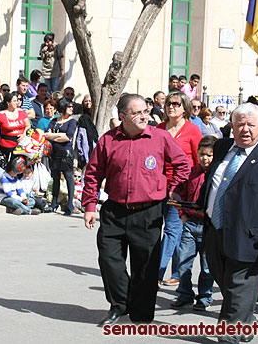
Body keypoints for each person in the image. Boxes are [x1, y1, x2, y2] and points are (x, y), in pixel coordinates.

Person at [82, 93, 191, 326]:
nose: (144, 117)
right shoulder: (108, 140)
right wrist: (90, 205)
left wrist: (174, 189)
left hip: (149, 212)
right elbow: (92, 174)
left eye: (145, 111)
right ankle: (119, 305)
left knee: (146, 267)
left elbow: (183, 164)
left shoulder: (159, 137)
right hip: (114, 211)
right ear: (122, 116)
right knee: (110, 261)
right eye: (137, 113)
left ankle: (141, 313)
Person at [198, 103, 258, 343]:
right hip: (215, 231)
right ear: (232, 126)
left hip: (249, 237)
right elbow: (213, 182)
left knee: (238, 290)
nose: (245, 130)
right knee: (229, 285)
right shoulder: (221, 147)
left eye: (251, 125)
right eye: (240, 124)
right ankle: (246, 322)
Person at [157, 91, 203, 287]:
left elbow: (200, 160)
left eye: (176, 103)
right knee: (169, 231)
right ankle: (176, 272)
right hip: (158, 186)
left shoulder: (192, 130)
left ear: (185, 108)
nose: (171, 107)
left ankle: (156, 273)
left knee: (171, 230)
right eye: (168, 103)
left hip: (181, 189)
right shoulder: (159, 128)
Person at [169, 135, 216, 311]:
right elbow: (180, 193)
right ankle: (184, 294)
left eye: (209, 155)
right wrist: (182, 215)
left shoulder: (217, 175)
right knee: (183, 261)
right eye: (202, 154)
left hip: (208, 226)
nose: (205, 158)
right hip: (190, 223)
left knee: (207, 266)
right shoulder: (192, 172)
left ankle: (204, 297)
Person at [45, 99, 78, 215]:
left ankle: (70, 205)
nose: (71, 109)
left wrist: (53, 136)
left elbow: (68, 137)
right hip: (54, 153)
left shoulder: (72, 121)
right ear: (63, 108)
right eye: (69, 107)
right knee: (55, 178)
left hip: (66, 153)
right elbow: (46, 135)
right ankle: (54, 203)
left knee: (69, 178)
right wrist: (58, 136)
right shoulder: (54, 120)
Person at [0, 92, 31, 161]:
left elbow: (28, 125)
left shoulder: (22, 112)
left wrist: (24, 134)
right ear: (8, 103)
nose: (17, 103)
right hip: (7, 145)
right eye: (14, 101)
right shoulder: (1, 114)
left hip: (21, 145)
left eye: (17, 100)